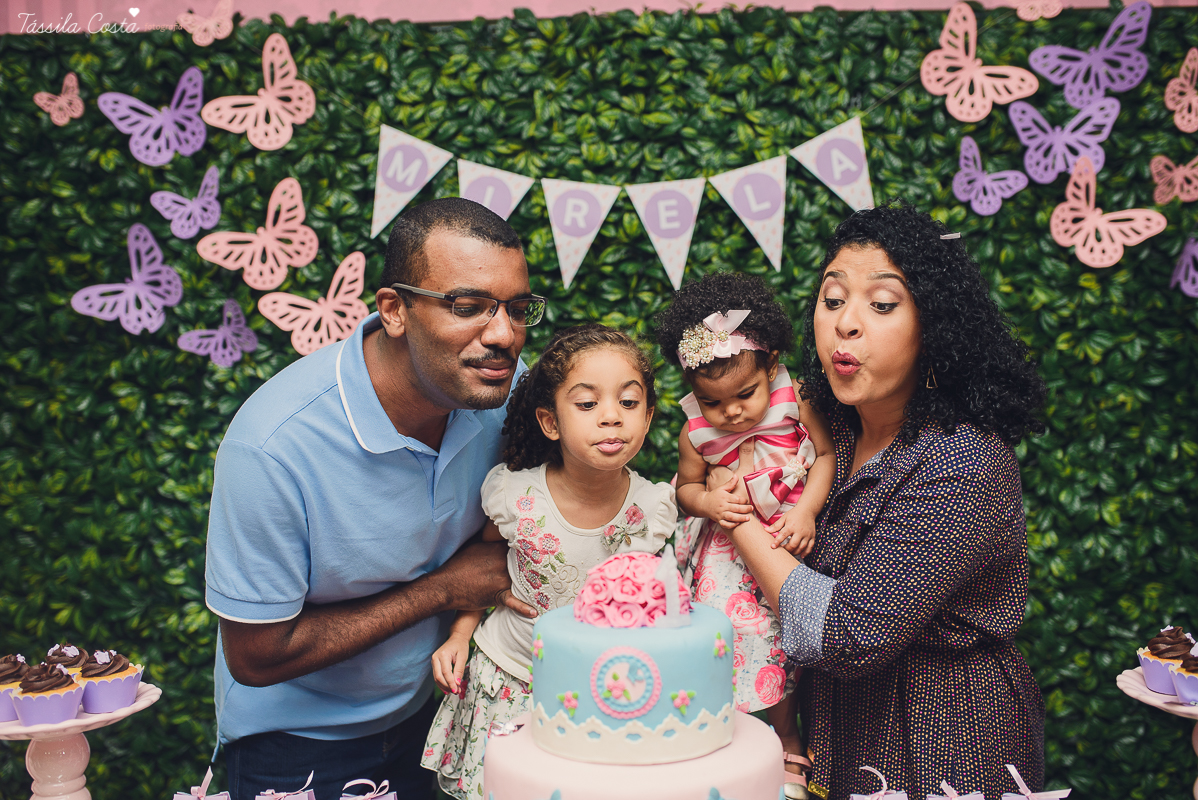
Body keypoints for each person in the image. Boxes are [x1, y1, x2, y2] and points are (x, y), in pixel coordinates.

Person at [203, 198, 545, 800]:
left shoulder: (507, 395)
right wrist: (444, 589)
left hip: (432, 718)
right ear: (394, 310)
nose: (502, 335)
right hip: (294, 743)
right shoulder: (274, 447)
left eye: (518, 310)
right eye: (467, 307)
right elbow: (255, 657)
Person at [722, 201, 1048, 800]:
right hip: (837, 736)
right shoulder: (829, 436)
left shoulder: (961, 463)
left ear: (935, 326)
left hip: (943, 739)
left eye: (882, 304)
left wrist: (735, 519)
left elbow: (847, 632)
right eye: (833, 298)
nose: (846, 323)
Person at [421, 324, 677, 799]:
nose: (611, 418)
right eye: (587, 404)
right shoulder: (515, 495)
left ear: (648, 417)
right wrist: (460, 634)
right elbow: (486, 561)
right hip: (511, 679)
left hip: (599, 693)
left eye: (628, 402)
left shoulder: (653, 511)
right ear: (550, 422)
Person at [654, 273, 835, 796]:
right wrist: (708, 500)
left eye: (745, 394)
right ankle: (727, 737)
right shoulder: (696, 431)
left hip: (790, 538)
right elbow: (685, 488)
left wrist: (806, 514)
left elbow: (823, 457)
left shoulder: (796, 398)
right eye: (713, 402)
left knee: (793, 643)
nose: (731, 412)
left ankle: (787, 739)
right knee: (729, 638)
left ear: (772, 365)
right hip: (729, 554)